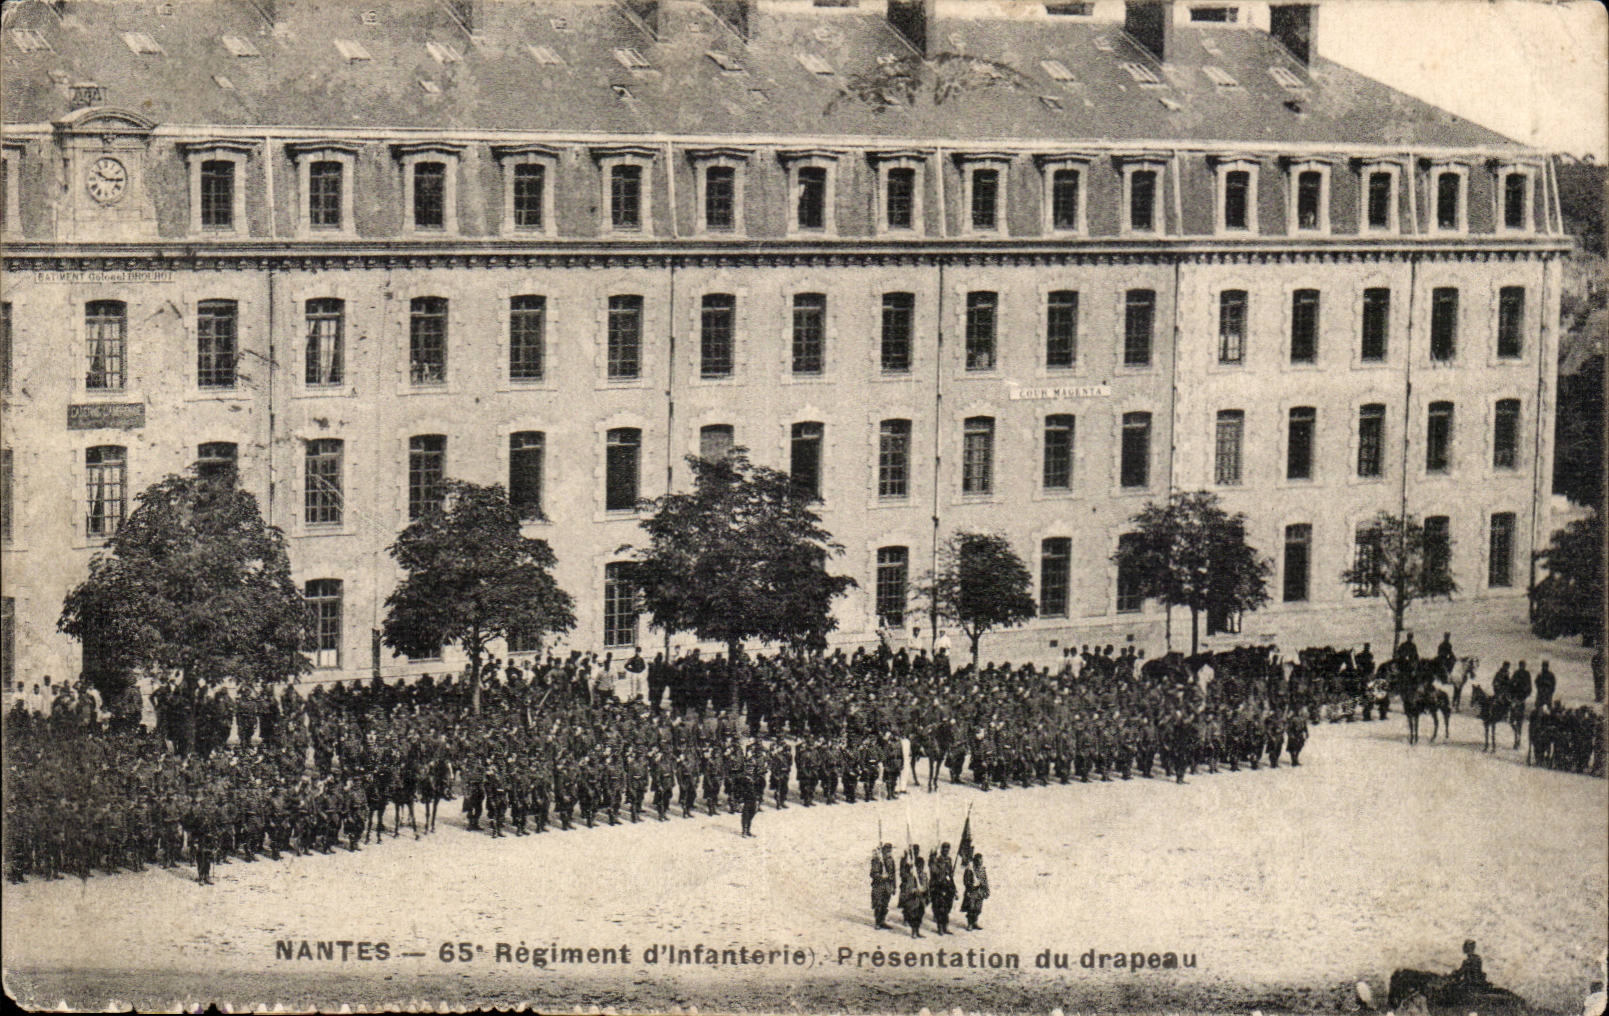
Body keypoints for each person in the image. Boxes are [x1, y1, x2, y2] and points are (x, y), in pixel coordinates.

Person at [928, 842, 957, 935]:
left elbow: (950, 875)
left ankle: (945, 927)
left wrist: (953, 887)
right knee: (939, 908)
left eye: (947, 849)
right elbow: (933, 871)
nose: (946, 850)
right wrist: (932, 858)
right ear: (941, 849)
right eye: (944, 849)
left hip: (948, 887)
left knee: (948, 907)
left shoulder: (949, 860)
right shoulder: (936, 860)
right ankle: (940, 927)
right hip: (938, 887)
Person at [870, 842, 896, 929]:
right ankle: (877, 922)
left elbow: (893, 874)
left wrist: (894, 886)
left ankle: (882, 921)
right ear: (883, 850)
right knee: (878, 904)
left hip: (888, 885)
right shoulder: (877, 860)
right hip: (879, 886)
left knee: (885, 904)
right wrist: (881, 876)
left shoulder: (891, 860)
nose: (889, 852)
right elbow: (873, 874)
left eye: (890, 850)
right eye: (887, 850)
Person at [962, 851, 989, 931]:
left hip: (979, 891)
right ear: (975, 861)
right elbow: (965, 881)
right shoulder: (970, 870)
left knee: (978, 908)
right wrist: (971, 885)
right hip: (972, 891)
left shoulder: (982, 870)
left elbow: (985, 881)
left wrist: (986, 890)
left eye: (981, 861)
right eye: (978, 861)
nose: (980, 862)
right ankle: (970, 923)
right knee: (971, 908)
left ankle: (975, 922)